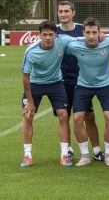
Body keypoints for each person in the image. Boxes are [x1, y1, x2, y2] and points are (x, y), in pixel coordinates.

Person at [64, 18, 109, 167]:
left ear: (98, 33)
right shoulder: (75, 46)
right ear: (83, 33)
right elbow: (62, 40)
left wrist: (105, 36)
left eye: (94, 32)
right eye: (88, 32)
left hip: (105, 84)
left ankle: (108, 155)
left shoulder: (107, 43)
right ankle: (85, 156)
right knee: (77, 118)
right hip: (83, 85)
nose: (91, 36)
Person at [20, 20, 75, 167]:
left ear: (55, 35)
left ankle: (64, 155)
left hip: (55, 83)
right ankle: (27, 155)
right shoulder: (31, 51)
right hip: (35, 83)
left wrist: (101, 36)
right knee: (28, 114)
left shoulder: (62, 41)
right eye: (45, 34)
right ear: (40, 35)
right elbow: (25, 78)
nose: (48, 37)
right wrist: (30, 101)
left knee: (63, 114)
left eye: (51, 34)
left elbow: (81, 40)